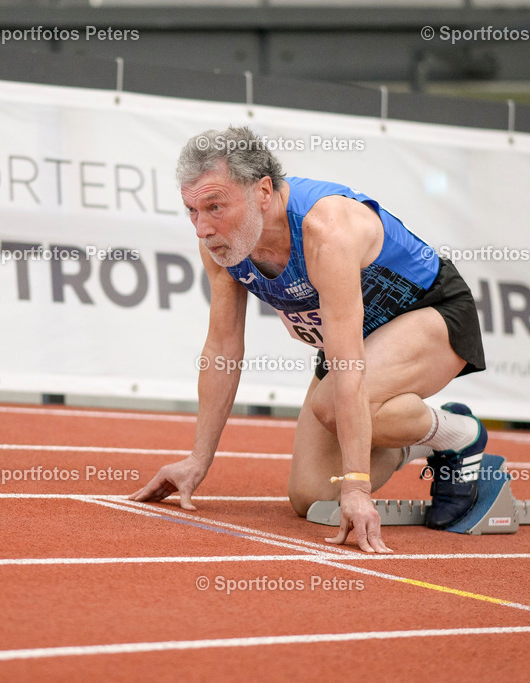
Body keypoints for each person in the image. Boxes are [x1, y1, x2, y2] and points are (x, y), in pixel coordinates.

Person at [129, 125, 487, 553]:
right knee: (311, 497)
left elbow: (350, 364)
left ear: (263, 191)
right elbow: (222, 349)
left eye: (215, 206)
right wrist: (197, 460)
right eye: (192, 210)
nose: (202, 229)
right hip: (354, 340)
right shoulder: (221, 244)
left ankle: (462, 436)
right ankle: (423, 439)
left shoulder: (325, 231)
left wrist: (358, 487)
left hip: (431, 313)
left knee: (332, 404)